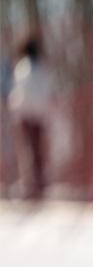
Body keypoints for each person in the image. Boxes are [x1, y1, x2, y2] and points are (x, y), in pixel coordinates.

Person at [7, 33, 51, 199]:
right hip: (38, 114)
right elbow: (47, 92)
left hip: (27, 115)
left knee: (28, 151)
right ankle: (38, 184)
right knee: (37, 150)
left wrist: (15, 108)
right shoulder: (42, 69)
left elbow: (19, 93)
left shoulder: (22, 68)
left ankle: (32, 185)